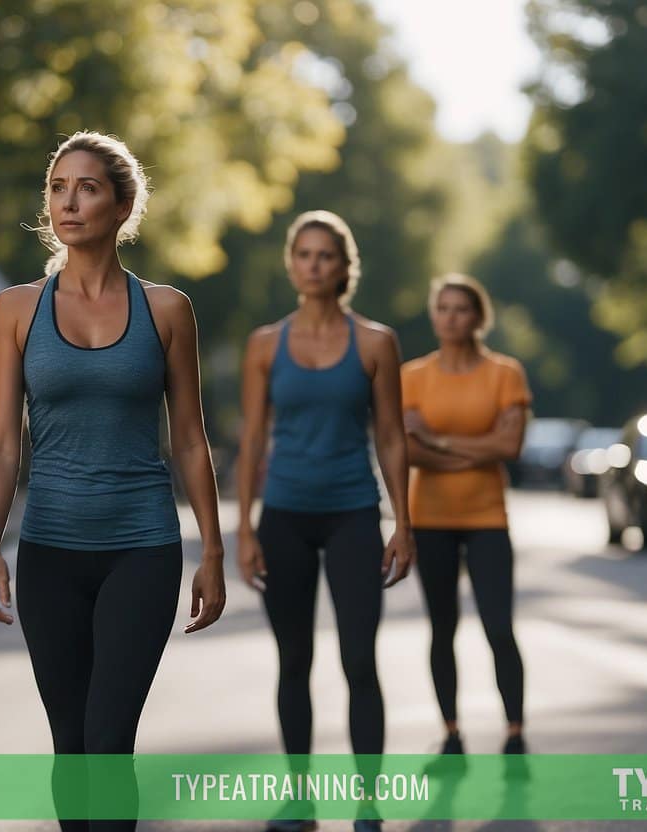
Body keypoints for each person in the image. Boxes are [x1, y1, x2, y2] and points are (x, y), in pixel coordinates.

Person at [0, 131, 227, 832]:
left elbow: (189, 438)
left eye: (85, 188)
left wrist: (211, 548)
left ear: (121, 206)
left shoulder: (167, 310)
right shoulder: (15, 311)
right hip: (51, 549)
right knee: (71, 749)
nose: (67, 201)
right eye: (57, 187)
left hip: (141, 548)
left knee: (108, 742)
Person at [236, 210, 417, 832]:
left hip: (352, 513)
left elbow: (391, 438)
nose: (314, 265)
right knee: (293, 661)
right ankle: (301, 798)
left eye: (326, 256)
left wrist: (404, 523)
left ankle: (368, 802)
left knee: (358, 660)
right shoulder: (265, 344)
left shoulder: (375, 342)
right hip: (284, 515)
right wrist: (243, 529)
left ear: (345, 268)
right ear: (292, 263)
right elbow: (253, 442)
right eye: (304, 254)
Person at [400, 272, 530, 756]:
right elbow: (407, 452)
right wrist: (476, 449)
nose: (451, 317)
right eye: (443, 308)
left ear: (478, 317)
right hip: (430, 518)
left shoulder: (505, 373)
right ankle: (451, 731)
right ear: (434, 316)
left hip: (487, 518)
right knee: (442, 627)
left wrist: (438, 440)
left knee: (499, 626)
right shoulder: (411, 376)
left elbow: (510, 445)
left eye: (461, 308)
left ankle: (515, 730)